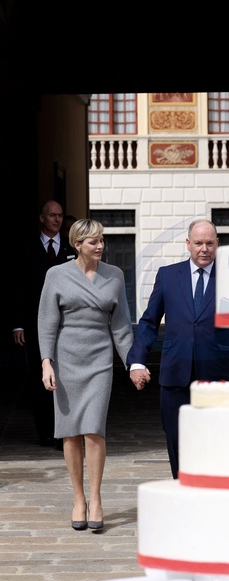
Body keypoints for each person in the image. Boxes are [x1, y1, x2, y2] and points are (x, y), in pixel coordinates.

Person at [38, 219, 134, 530]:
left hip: (99, 360)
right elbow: (47, 322)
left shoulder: (114, 275)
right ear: (77, 244)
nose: (100, 246)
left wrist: (133, 364)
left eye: (102, 240)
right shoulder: (56, 275)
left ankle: (96, 497)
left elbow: (121, 326)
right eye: (93, 241)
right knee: (70, 432)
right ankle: (78, 499)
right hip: (66, 360)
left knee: (94, 430)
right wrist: (46, 362)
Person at [127, 219, 229, 478]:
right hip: (175, 373)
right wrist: (137, 362)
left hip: (216, 375)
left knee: (215, 439)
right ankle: (181, 486)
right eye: (198, 243)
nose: (204, 249)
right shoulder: (168, 276)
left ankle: (209, 490)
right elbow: (150, 321)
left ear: (218, 244)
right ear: (188, 244)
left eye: (210, 243)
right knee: (176, 438)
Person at [12, 200, 77, 448]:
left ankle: (64, 432)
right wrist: (18, 324)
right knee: (40, 377)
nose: (57, 219)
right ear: (42, 218)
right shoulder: (27, 248)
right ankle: (46, 431)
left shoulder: (72, 248)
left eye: (60, 215)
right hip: (35, 322)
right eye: (52, 215)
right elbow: (18, 288)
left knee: (66, 377)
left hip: (67, 323)